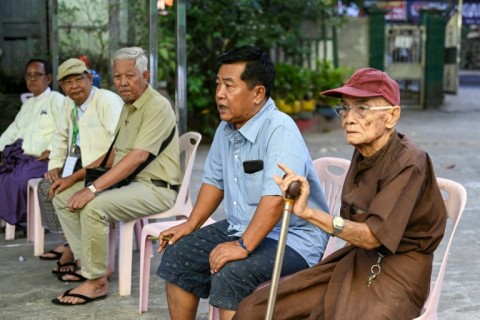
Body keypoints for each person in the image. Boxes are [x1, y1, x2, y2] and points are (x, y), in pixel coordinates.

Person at [234, 68, 448, 319]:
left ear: (392, 116)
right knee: (255, 308)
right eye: (345, 108)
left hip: (401, 269)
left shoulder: (410, 162)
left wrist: (309, 213)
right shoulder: (365, 148)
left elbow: (371, 237)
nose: (348, 118)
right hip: (356, 259)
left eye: (362, 108)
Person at [156, 45, 330, 320]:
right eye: (218, 84)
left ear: (258, 93)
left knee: (232, 272)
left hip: (292, 237)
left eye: (229, 86)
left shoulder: (280, 130)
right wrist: (190, 225)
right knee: (179, 255)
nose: (219, 94)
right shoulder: (226, 129)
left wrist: (243, 246)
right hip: (243, 226)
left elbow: (275, 201)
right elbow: (214, 182)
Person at [49, 46, 180, 305]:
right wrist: (75, 179)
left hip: (157, 189)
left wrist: (93, 188)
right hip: (131, 184)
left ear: (146, 75)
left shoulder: (157, 106)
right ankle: (89, 264)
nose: (122, 83)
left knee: (93, 205)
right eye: (118, 77)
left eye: (129, 76)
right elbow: (112, 156)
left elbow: (137, 157)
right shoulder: (128, 107)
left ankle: (96, 281)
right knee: (62, 198)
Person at [37, 58, 123, 277]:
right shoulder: (68, 103)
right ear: (61, 87)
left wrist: (75, 176)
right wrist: (55, 165)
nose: (74, 86)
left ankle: (78, 255)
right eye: (68, 83)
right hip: (76, 162)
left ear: (89, 78)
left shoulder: (106, 101)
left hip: (105, 169)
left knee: (67, 194)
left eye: (79, 79)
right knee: (49, 186)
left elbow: (120, 149)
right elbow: (60, 136)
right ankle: (75, 249)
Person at [0, 59, 64, 228]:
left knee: (17, 180)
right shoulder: (27, 104)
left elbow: (65, 129)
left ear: (48, 78)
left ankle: (20, 221)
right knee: (4, 176)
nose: (32, 79)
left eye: (37, 75)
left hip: (43, 161)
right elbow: (13, 131)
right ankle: (7, 220)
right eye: (29, 75)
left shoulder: (56, 100)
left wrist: (51, 150)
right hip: (21, 157)